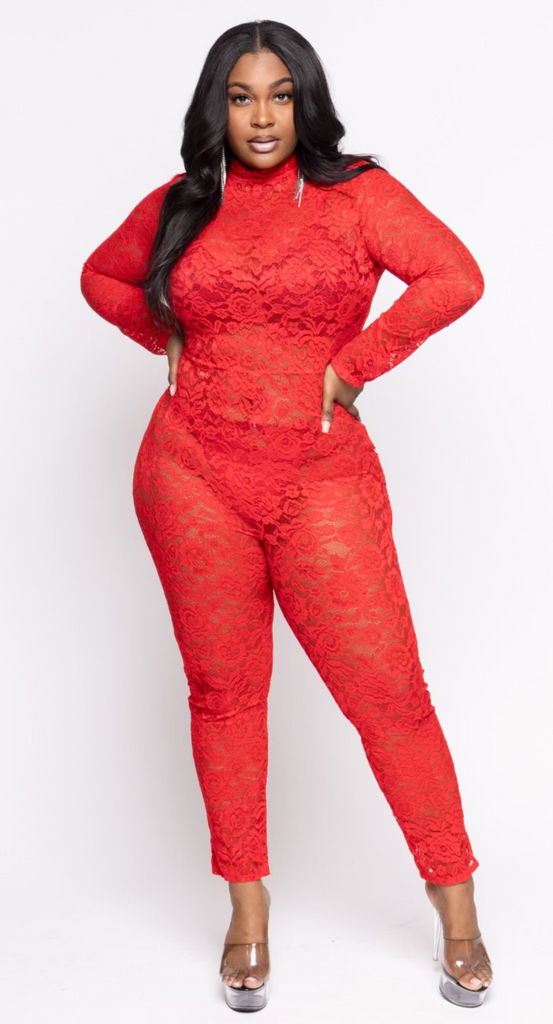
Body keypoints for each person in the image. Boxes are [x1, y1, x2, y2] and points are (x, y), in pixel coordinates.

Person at [80, 19, 493, 1012]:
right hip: (189, 474)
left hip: (318, 476)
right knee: (224, 694)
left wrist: (351, 369)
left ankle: (458, 911)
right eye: (240, 97)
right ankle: (248, 911)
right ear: (215, 108)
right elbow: (100, 275)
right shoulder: (186, 201)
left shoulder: (358, 195)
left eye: (278, 95)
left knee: (389, 693)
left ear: (306, 101)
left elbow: (456, 276)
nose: (260, 117)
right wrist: (164, 334)